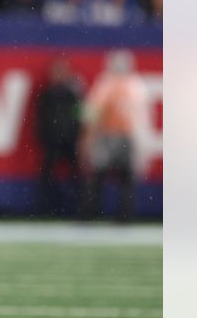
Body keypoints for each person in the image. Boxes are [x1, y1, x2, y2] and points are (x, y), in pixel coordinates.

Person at [79, 49, 146, 221]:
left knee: (97, 178)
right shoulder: (137, 86)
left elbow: (91, 113)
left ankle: (90, 215)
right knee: (125, 180)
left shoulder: (105, 84)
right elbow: (143, 118)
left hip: (108, 135)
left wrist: (87, 136)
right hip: (127, 136)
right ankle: (124, 217)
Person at [34, 58, 84, 217]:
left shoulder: (73, 93)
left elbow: (79, 115)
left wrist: (78, 135)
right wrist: (44, 136)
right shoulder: (48, 94)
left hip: (69, 140)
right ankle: (46, 209)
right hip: (53, 141)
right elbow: (41, 117)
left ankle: (79, 209)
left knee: (76, 177)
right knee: (47, 177)